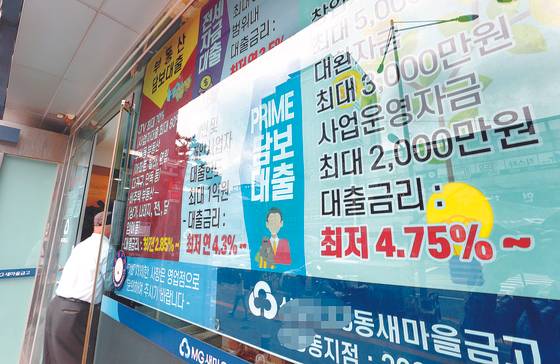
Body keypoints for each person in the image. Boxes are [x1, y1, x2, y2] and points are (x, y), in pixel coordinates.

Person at [43, 211, 111, 364]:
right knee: (76, 358)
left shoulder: (82, 245)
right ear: (110, 227)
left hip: (56, 307)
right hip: (74, 312)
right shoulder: (106, 248)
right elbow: (110, 283)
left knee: (53, 359)